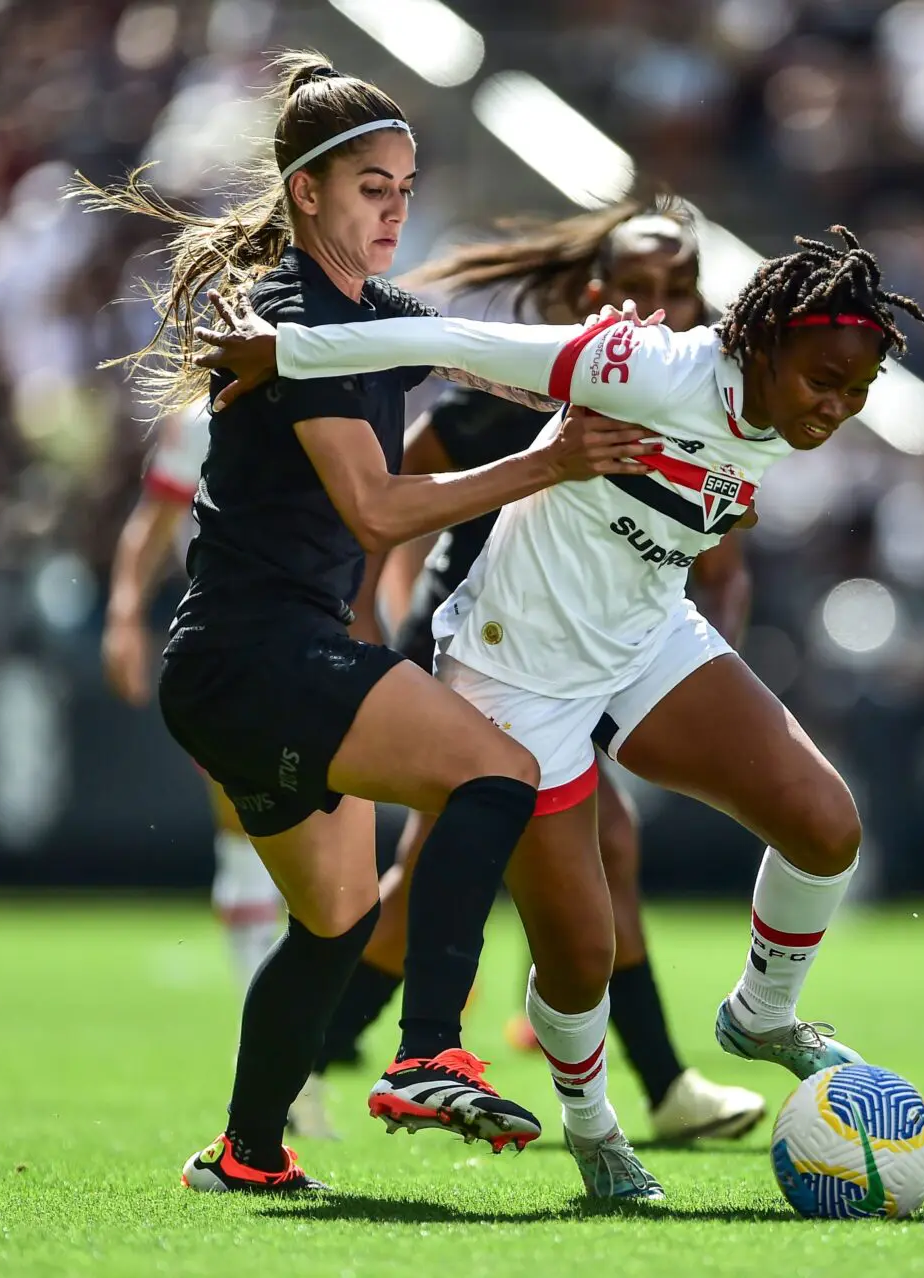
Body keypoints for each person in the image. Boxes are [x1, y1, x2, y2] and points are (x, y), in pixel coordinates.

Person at [197, 225, 924, 1199]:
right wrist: (286, 351)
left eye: (855, 392)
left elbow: (702, 504)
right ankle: (594, 1133)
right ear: (758, 345)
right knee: (580, 958)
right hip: (516, 674)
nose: (835, 407)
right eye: (822, 381)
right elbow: (459, 343)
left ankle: (761, 1015)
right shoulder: (641, 364)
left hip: (645, 637)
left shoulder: (772, 414)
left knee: (826, 825)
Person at [78, 50, 662, 1195]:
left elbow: (481, 358)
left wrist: (606, 361)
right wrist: (546, 464)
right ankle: (429, 1051)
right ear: (307, 192)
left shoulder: (365, 314)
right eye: (370, 188)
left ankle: (243, 1155)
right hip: (262, 652)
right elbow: (377, 509)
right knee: (496, 775)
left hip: (234, 669)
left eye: (403, 186)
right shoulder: (296, 315)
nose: (395, 208)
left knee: (337, 923)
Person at [309, 200, 766, 1145]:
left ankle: (312, 1061)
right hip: (481, 655)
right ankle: (308, 1061)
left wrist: (681, 673)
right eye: (634, 289)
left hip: (593, 662)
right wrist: (378, 619)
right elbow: (392, 507)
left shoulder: (702, 410)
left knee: (573, 859)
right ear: (592, 297)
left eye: (675, 289)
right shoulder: (499, 400)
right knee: (467, 873)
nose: (657, 305)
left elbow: (720, 569)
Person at [100, 400, 336, 1140]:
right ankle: (279, 1061)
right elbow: (155, 521)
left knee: (324, 854)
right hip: (238, 644)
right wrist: (123, 613)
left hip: (331, 632)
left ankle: (341, 1039)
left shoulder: (349, 379)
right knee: (248, 835)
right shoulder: (203, 418)